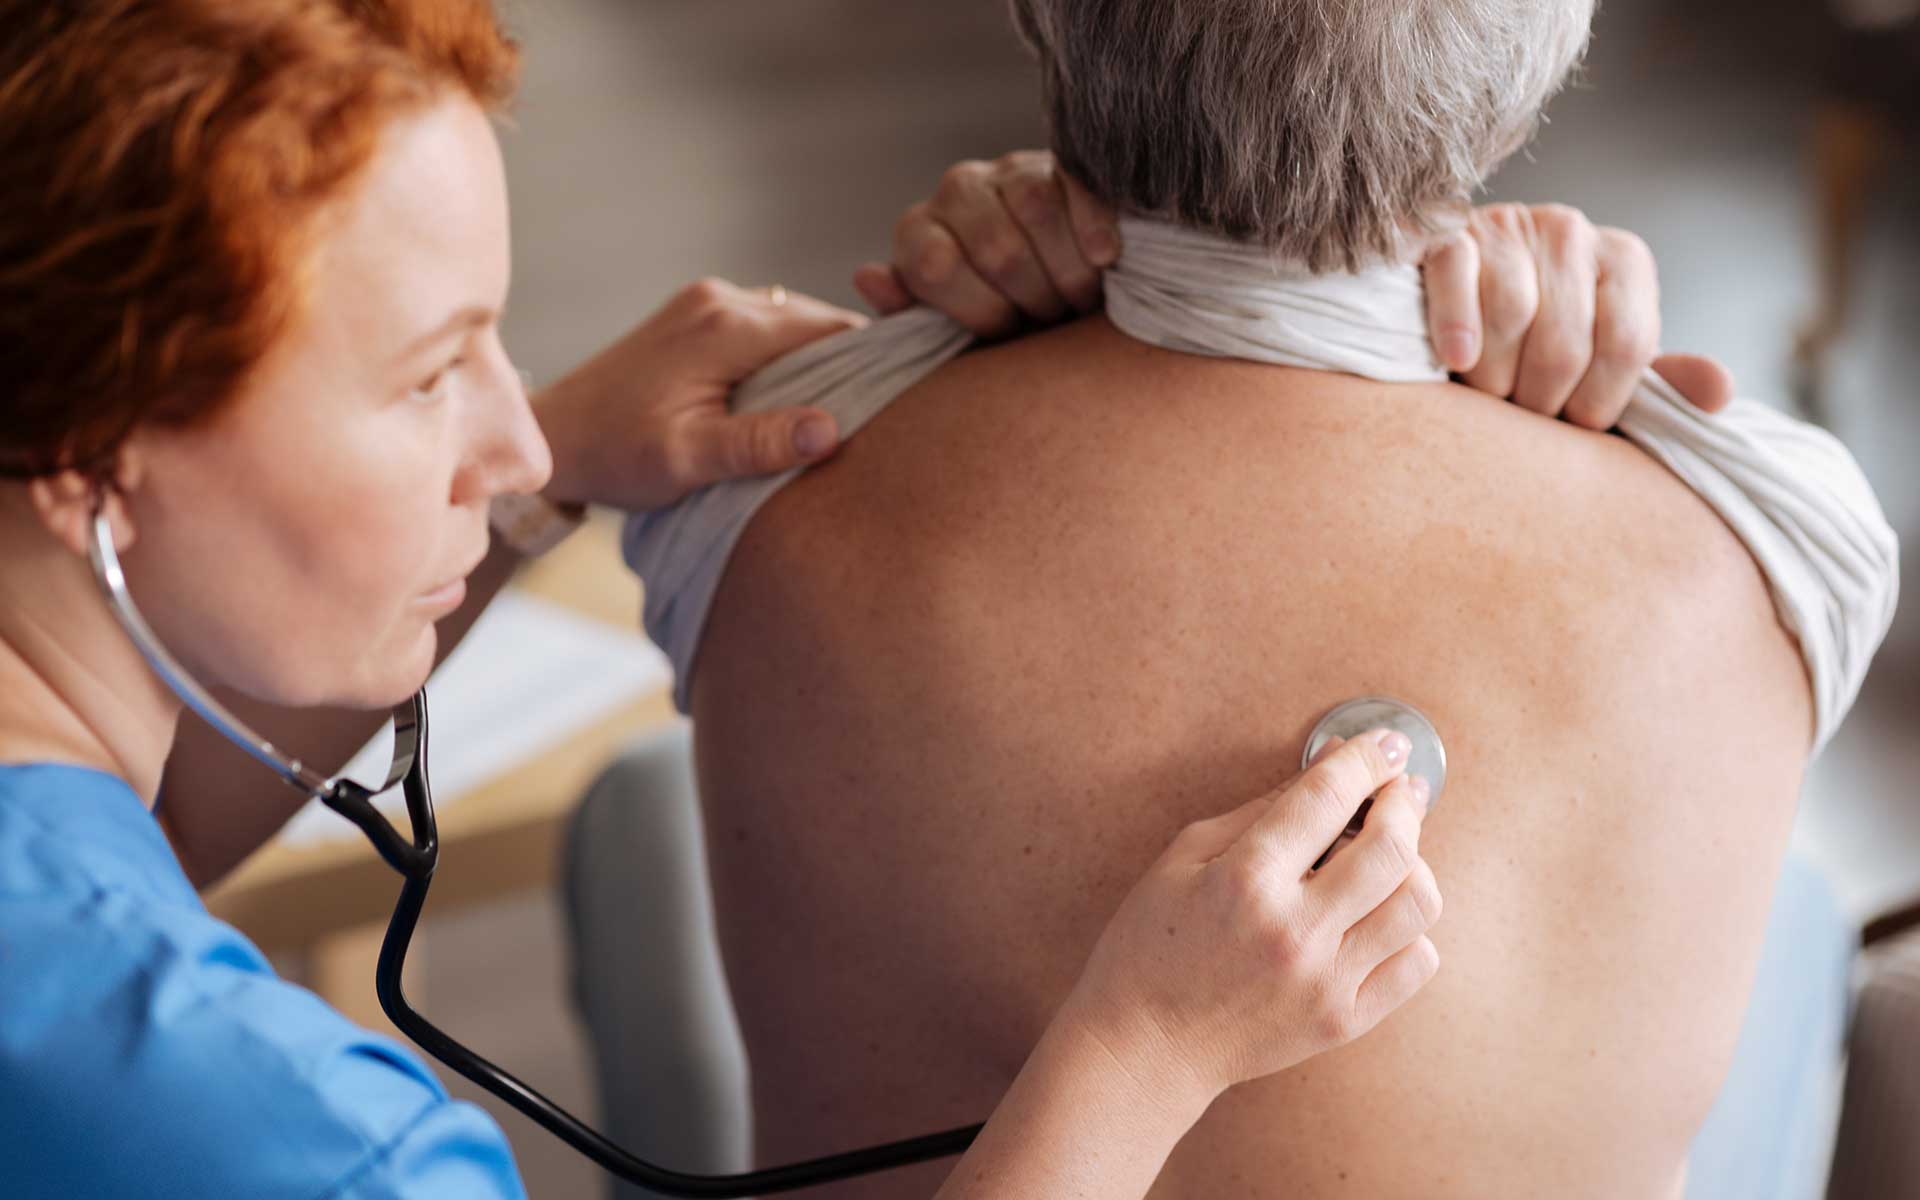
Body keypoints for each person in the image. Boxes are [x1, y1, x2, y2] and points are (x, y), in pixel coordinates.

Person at [0, 1, 1718, 1196]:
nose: (524, 430)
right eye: (431, 373)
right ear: (84, 436)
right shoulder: (297, 1145)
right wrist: (1136, 1055)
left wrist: (549, 486)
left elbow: (95, 866)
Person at [631, 1, 1897, 1198]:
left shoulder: (755, 460)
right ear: (1536, 50)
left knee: (627, 817)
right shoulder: (1769, 532)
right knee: (1788, 917)